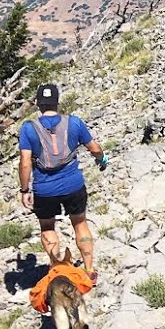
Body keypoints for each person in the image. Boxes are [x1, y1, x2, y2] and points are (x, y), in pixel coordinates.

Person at [18, 83, 106, 284]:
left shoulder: (29, 129)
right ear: (57, 102)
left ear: (38, 104)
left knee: (48, 227)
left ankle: (57, 271)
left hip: (44, 189)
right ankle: (89, 270)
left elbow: (24, 162)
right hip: (73, 185)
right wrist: (101, 159)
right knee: (80, 223)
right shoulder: (74, 122)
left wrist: (24, 189)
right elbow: (94, 147)